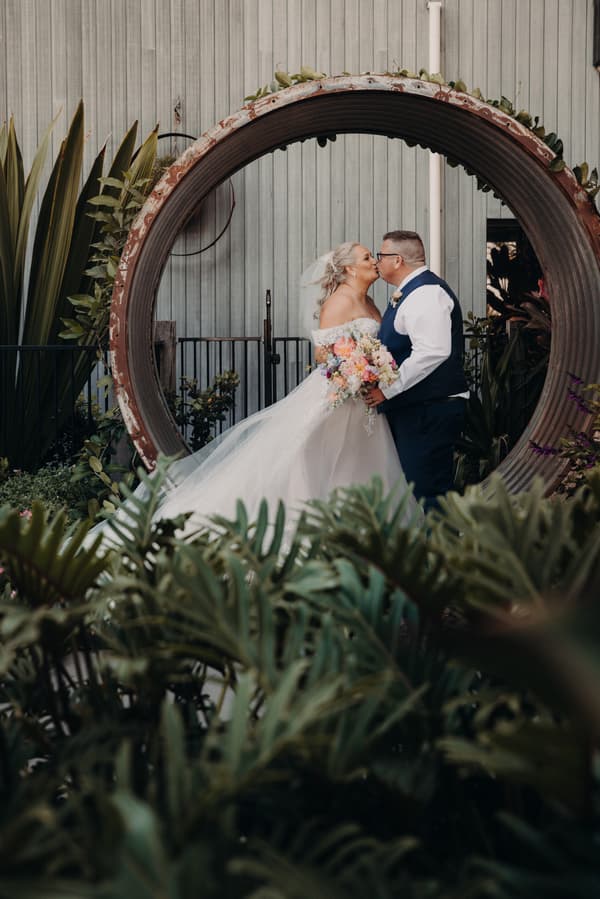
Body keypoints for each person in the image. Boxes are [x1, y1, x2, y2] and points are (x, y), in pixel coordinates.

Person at [95, 242, 419, 550]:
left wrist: (372, 371)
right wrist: (355, 370)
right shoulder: (339, 301)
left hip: (363, 399)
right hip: (337, 394)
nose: (373, 261)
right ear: (348, 268)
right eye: (366, 258)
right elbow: (323, 354)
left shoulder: (373, 303)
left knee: (357, 464)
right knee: (312, 460)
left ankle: (360, 536)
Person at [364, 230, 468, 512]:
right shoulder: (411, 292)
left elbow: (432, 352)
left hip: (429, 409)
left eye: (381, 255)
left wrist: (386, 389)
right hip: (417, 408)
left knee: (429, 492)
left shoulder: (426, 293)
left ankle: (442, 554)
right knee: (416, 489)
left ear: (397, 260)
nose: (377, 260)